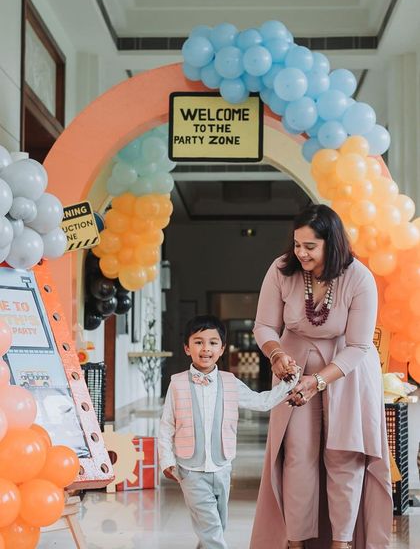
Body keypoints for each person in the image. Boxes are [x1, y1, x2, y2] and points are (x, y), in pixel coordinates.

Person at [250, 204, 393, 549]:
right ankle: (295, 540)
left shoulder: (359, 277)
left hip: (347, 370)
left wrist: (318, 382)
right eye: (297, 244)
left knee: (344, 454)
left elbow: (359, 346)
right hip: (293, 366)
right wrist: (277, 354)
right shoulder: (282, 270)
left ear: (332, 244)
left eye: (310, 246)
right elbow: (265, 325)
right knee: (298, 453)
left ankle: (341, 542)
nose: (301, 253)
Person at [158, 314, 299, 549]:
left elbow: (261, 402)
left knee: (217, 524)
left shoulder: (230, 381)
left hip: (222, 467)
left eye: (213, 343)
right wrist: (166, 460)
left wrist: (289, 383)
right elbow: (166, 426)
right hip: (190, 468)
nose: (206, 348)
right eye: (198, 341)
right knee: (210, 527)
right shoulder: (177, 383)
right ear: (187, 348)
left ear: (222, 349)